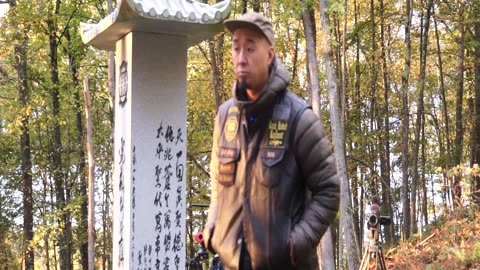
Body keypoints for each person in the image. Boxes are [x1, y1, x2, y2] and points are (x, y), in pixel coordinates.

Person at [202, 11, 340, 270]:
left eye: (250, 49)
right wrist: (213, 227)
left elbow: (329, 190)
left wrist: (295, 244)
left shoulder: (299, 118)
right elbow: (219, 185)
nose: (241, 58)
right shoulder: (224, 117)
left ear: (270, 55)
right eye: (236, 48)